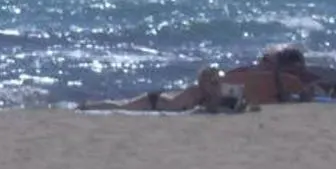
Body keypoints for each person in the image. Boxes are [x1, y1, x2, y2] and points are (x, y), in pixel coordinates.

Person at [79, 67, 250, 113]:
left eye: (217, 82)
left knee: (122, 105)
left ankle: (89, 105)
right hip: (153, 102)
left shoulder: (206, 93)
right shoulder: (196, 92)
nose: (217, 84)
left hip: (161, 101)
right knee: (121, 107)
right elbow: (211, 109)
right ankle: (89, 106)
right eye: (213, 82)